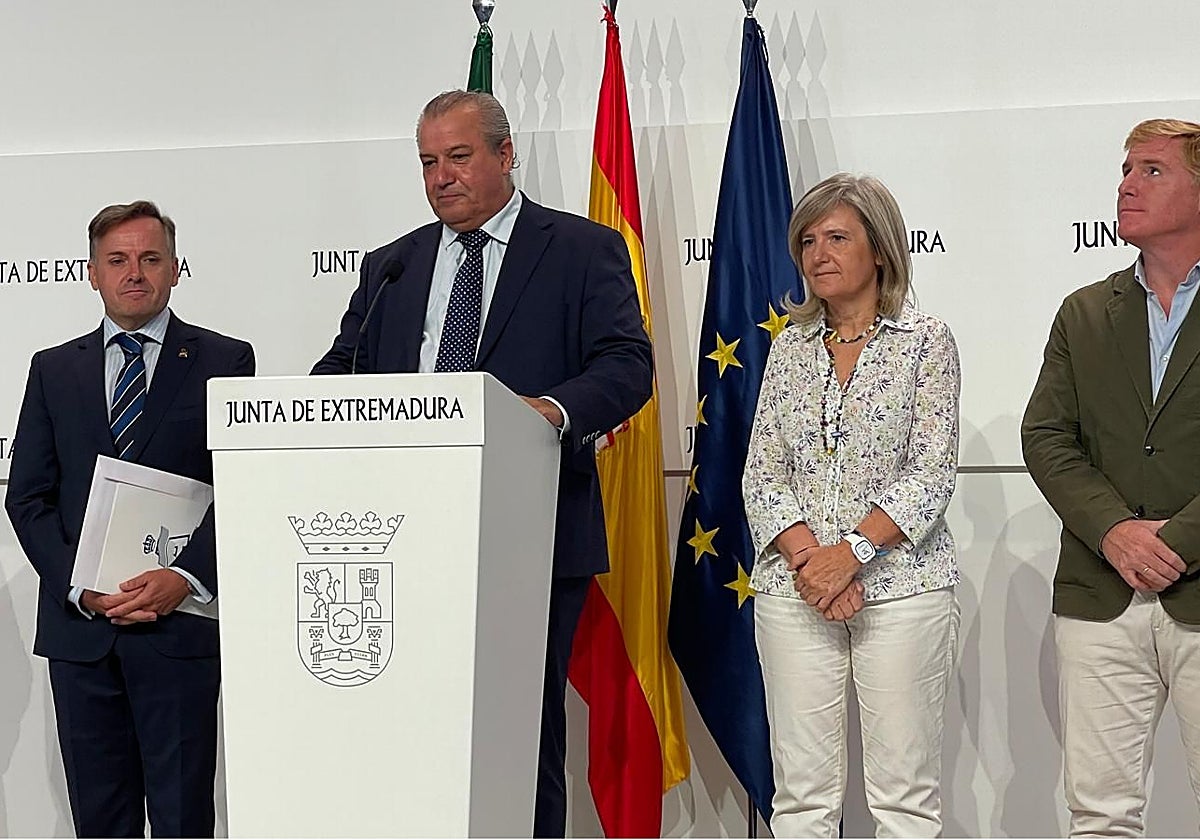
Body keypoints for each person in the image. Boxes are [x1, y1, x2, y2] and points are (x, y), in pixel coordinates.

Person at [311, 90, 652, 837]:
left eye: (459, 157)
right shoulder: (391, 266)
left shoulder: (580, 249)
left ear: (505, 154)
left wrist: (547, 413)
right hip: (399, 536)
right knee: (412, 726)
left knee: (522, 732)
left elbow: (627, 365)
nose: (442, 177)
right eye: (428, 162)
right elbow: (340, 371)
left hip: (530, 532)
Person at [5, 201, 255, 837]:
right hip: (82, 635)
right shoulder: (52, 369)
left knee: (182, 818)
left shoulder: (225, 360)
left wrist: (186, 578)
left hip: (180, 629)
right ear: (92, 273)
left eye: (150, 258)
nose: (134, 273)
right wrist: (79, 584)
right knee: (100, 822)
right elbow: (28, 496)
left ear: (175, 268)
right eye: (117, 260)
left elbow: (240, 487)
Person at [743, 173, 961, 837]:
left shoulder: (926, 340)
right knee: (801, 799)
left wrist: (852, 555)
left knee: (903, 799)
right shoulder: (788, 346)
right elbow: (762, 473)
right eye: (808, 241)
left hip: (903, 589)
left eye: (837, 237)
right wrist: (814, 564)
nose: (818, 254)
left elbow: (929, 473)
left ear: (881, 250)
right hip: (795, 592)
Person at [1022, 118, 1200, 837]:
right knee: (1098, 815)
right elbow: (1046, 436)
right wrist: (1116, 531)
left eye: (1152, 170)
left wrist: (1176, 542)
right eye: (1126, 170)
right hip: (1101, 592)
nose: (1127, 185)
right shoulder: (1085, 311)